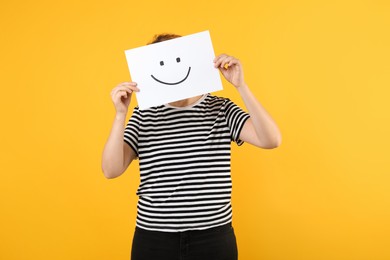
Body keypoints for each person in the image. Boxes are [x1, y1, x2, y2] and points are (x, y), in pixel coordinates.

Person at [101, 33, 282, 260]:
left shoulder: (221, 109)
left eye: (178, 59)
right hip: (154, 239)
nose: (172, 69)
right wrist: (120, 115)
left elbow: (271, 139)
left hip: (213, 238)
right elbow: (111, 170)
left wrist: (241, 86)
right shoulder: (144, 115)